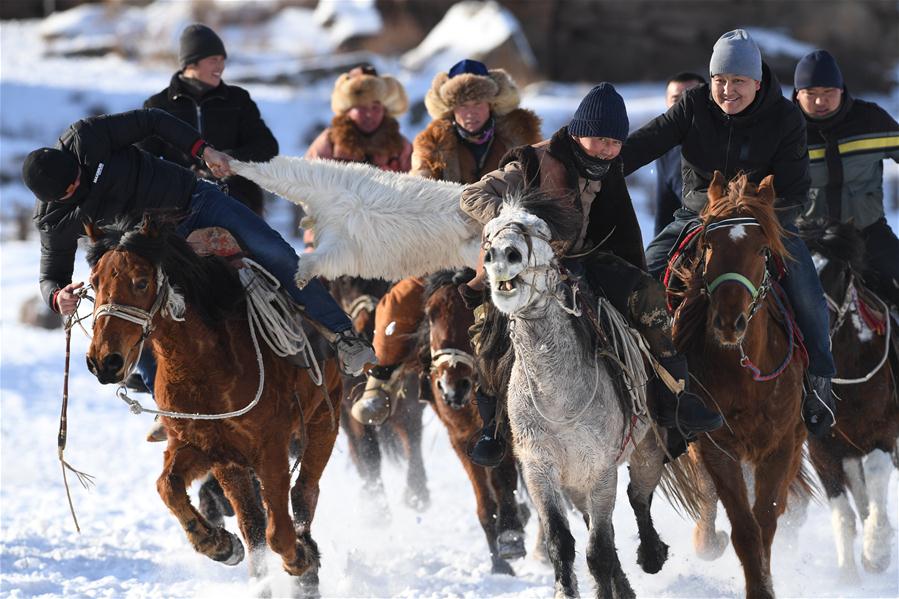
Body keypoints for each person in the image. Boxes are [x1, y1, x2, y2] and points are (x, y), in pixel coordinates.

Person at [460, 83, 724, 466]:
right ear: (578, 132)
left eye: (615, 142)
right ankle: (493, 425)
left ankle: (673, 396)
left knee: (648, 294)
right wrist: (513, 220)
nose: (608, 149)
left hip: (586, 260)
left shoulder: (607, 167)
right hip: (531, 266)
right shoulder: (534, 161)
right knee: (489, 328)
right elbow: (471, 196)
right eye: (599, 139)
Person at [23, 109, 376, 390]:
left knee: (276, 252)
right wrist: (57, 298)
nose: (78, 183)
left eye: (79, 175)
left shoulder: (87, 137)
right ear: (55, 199)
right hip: (146, 245)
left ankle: (343, 336)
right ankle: (156, 388)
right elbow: (50, 276)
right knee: (137, 309)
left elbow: (152, 120)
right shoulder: (54, 219)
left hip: (193, 198)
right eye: (71, 187)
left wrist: (202, 150)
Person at [621, 29, 836, 437]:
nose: (727, 90)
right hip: (701, 213)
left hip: (765, 220)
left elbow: (794, 189)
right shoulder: (693, 106)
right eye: (719, 80)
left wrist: (756, 213)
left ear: (757, 82)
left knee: (807, 287)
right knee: (644, 273)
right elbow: (647, 142)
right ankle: (637, 376)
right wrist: (602, 167)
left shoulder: (786, 118)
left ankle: (821, 381)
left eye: (737, 81)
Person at [351, 59, 542, 430]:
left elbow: (539, 188)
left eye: (476, 105)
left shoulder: (523, 137)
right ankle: (381, 378)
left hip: (513, 243)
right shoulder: (431, 143)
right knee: (398, 300)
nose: (469, 114)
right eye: (461, 106)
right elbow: (420, 191)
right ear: (450, 109)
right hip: (448, 243)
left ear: (492, 104)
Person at [792, 49, 899, 306]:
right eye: (812, 94)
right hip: (808, 238)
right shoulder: (784, 131)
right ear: (797, 95)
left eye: (828, 93)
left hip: (867, 232)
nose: (820, 102)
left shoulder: (870, 120)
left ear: (842, 90)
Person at [139, 24, 278, 216]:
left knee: (271, 246)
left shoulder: (238, 100)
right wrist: (181, 176)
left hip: (237, 197)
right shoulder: (159, 105)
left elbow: (268, 147)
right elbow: (142, 159)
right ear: (191, 63)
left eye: (222, 60)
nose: (220, 66)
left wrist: (231, 159)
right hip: (176, 204)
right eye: (214, 60)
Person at [301, 64, 412, 249]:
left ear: (385, 109)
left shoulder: (400, 146)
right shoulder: (329, 143)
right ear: (348, 110)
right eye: (361, 107)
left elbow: (415, 189)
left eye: (375, 107)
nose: (369, 114)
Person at [653, 72, 706, 235]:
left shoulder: (726, 135)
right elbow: (664, 208)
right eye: (676, 99)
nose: (684, 105)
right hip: (684, 229)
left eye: (691, 97)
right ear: (667, 103)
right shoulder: (665, 150)